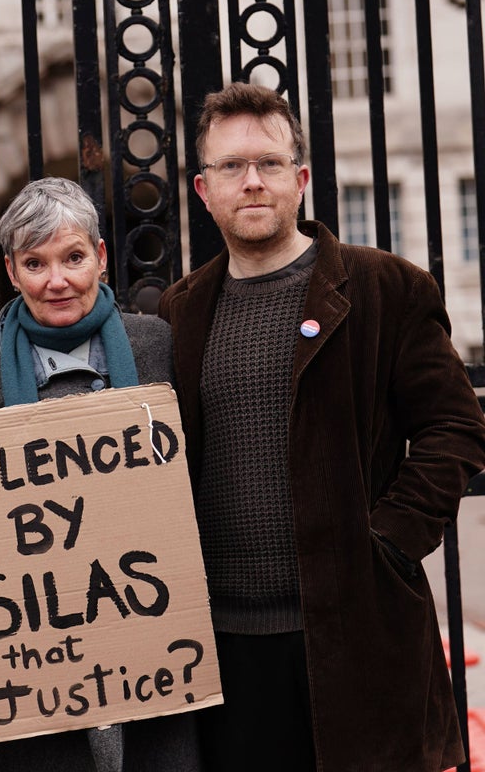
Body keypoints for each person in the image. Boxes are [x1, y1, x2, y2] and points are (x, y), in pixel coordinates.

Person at [157, 81, 485, 771]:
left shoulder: (386, 289)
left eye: (270, 164)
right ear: (202, 189)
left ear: (300, 180)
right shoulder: (179, 311)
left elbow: (454, 425)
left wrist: (391, 541)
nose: (252, 182)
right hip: (223, 651)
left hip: (355, 636)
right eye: (232, 167)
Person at [0, 176, 200, 772]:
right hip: (32, 671)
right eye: (35, 263)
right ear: (11, 271)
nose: (56, 280)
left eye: (73, 258)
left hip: (149, 652)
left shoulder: (159, 347)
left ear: (102, 258)